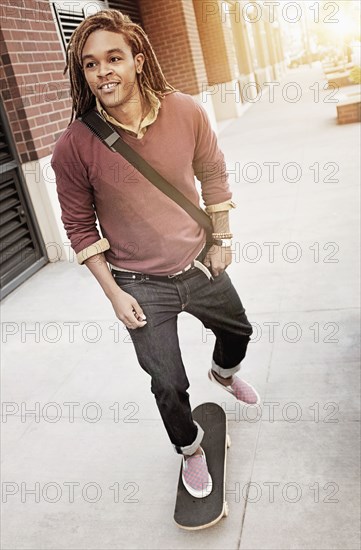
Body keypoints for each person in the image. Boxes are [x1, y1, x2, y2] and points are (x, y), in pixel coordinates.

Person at [52, 9, 259, 499]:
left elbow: (213, 171)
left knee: (239, 333)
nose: (103, 71)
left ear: (138, 60)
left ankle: (223, 374)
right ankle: (188, 449)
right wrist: (113, 296)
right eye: (90, 64)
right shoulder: (73, 147)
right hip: (140, 285)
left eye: (114, 58)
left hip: (199, 265)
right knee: (167, 382)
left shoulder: (185, 110)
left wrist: (221, 240)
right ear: (84, 74)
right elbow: (80, 229)